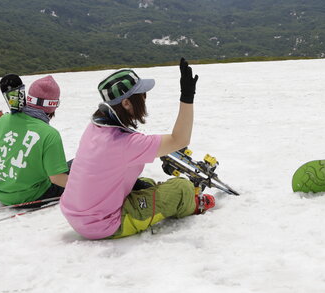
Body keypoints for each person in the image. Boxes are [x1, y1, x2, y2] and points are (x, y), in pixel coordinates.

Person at [60, 58, 214, 240]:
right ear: (126, 103)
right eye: (142, 94)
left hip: (76, 214)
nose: (145, 98)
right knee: (182, 188)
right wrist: (187, 96)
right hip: (104, 224)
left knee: (146, 182)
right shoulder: (126, 144)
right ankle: (194, 203)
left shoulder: (95, 128)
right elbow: (179, 140)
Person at [0, 75, 69, 206]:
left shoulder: (5, 120)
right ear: (53, 105)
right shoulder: (50, 134)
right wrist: (82, 188)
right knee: (75, 166)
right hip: (28, 195)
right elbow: (56, 178)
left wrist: (3, 127)